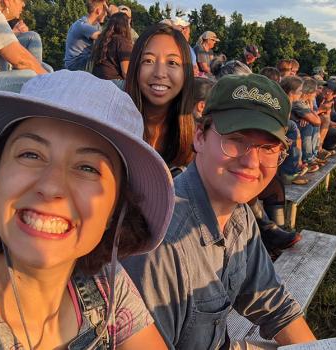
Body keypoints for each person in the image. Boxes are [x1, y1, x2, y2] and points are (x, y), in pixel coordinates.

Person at [0, 70, 174, 349]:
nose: (51, 187)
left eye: (87, 168)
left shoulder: (107, 286)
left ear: (116, 209)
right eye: (31, 154)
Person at [124, 74, 317, 349]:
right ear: (200, 136)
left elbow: (274, 304)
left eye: (268, 148)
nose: (252, 161)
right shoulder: (161, 243)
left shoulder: (239, 214)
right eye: (236, 139)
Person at [125, 23, 195, 168]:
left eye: (172, 62)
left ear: (186, 72)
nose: (159, 73)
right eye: (148, 61)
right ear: (135, 67)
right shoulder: (111, 125)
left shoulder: (196, 139)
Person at [279, 75, 309, 185]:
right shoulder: (285, 103)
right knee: (293, 127)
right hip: (274, 130)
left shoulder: (284, 100)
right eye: (300, 91)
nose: (302, 93)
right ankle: (290, 173)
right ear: (291, 93)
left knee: (294, 125)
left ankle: (297, 165)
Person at [91, 12, 133, 89]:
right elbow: (126, 72)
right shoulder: (122, 41)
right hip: (113, 82)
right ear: (125, 26)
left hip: (96, 80)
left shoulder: (101, 40)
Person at [64, 0, 107, 71]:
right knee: (105, 63)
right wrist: (115, 15)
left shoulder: (97, 26)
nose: (106, 14)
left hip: (86, 60)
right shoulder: (82, 25)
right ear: (98, 11)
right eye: (105, 11)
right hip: (75, 63)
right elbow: (105, 39)